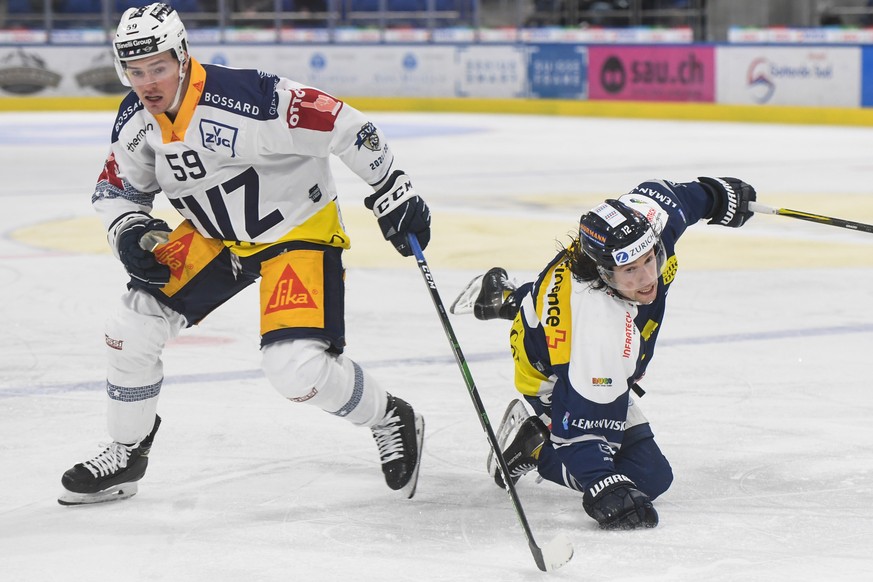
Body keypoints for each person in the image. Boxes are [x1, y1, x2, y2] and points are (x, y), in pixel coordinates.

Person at [58, 3, 429, 505]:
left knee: (294, 368)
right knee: (131, 326)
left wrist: (391, 184)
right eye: (136, 71)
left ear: (183, 57)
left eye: (158, 68)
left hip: (295, 234)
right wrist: (127, 230)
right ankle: (126, 453)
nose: (147, 82)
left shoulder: (250, 98)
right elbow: (119, 191)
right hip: (216, 237)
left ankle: (389, 415)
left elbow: (342, 122)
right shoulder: (135, 121)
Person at [451, 176, 756, 529]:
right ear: (603, 273)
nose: (647, 278)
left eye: (649, 259)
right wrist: (601, 484)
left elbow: (668, 197)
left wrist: (716, 196)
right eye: (630, 271)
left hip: (550, 324)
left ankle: (504, 297)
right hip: (552, 380)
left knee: (646, 474)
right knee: (648, 477)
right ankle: (531, 441)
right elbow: (581, 433)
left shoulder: (644, 227)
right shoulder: (598, 333)